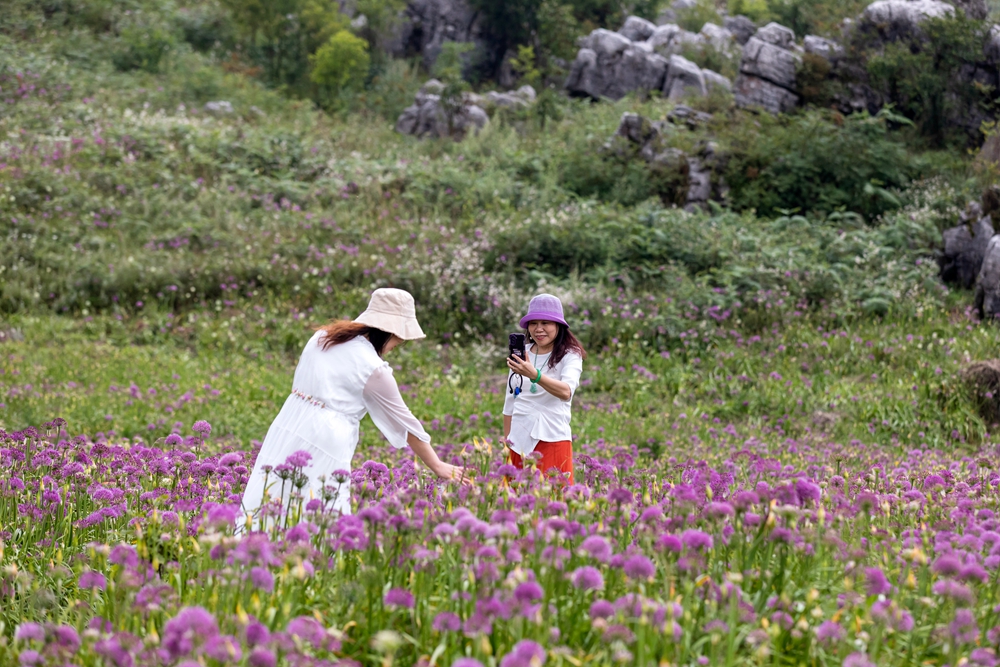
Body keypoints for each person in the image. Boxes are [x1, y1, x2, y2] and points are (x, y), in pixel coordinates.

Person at [241, 288, 470, 522]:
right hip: (327, 439)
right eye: (398, 342)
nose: (394, 348)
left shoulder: (323, 337)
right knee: (319, 513)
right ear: (388, 332)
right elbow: (405, 421)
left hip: (289, 422)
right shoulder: (373, 368)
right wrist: (437, 465)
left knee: (271, 497)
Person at [503, 293, 586, 483]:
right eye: (533, 323)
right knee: (516, 503)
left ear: (558, 325)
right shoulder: (522, 354)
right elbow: (510, 403)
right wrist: (507, 441)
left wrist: (535, 376)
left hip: (552, 439)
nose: (538, 329)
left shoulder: (570, 355)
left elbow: (566, 392)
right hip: (518, 442)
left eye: (545, 323)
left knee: (551, 501)